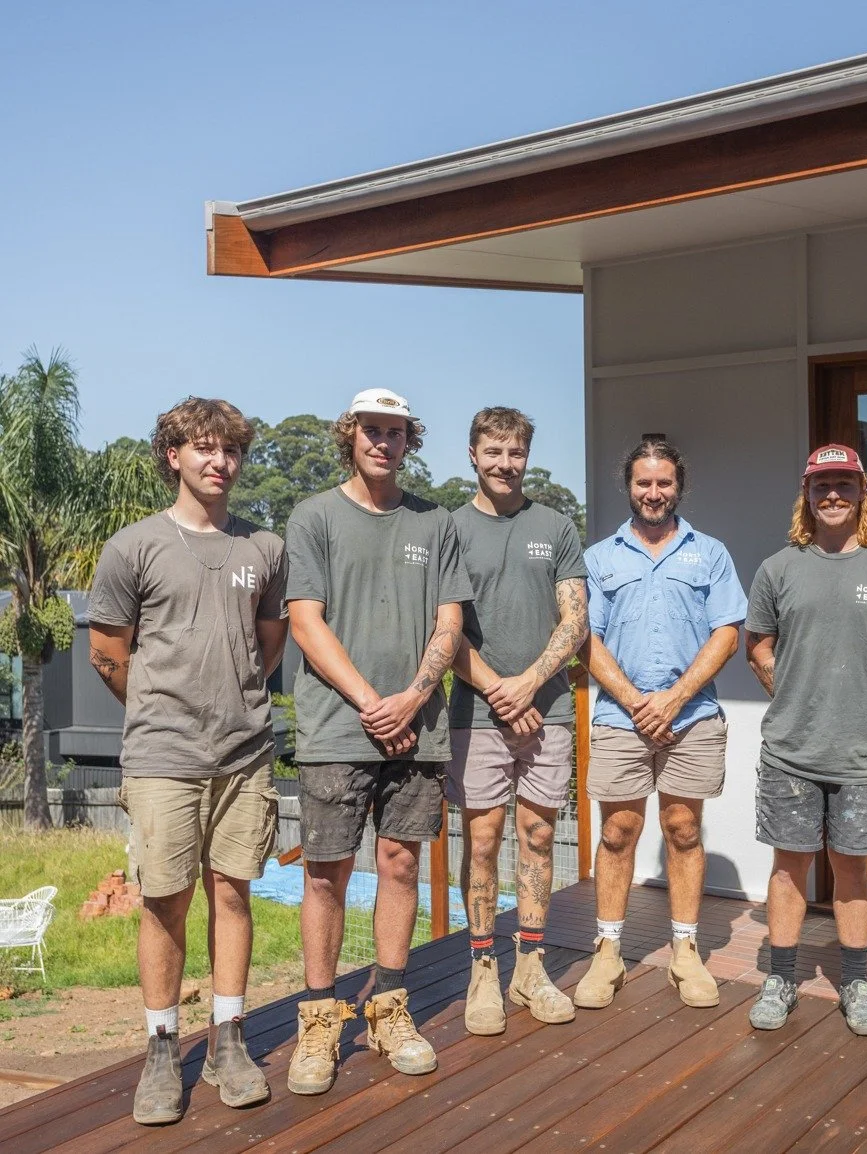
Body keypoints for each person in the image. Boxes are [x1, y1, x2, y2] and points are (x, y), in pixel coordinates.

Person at [88, 398, 287, 1125]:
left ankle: (229, 1041)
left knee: (233, 893)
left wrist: (231, 700)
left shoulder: (263, 546)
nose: (219, 463)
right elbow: (109, 654)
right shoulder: (133, 546)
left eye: (230, 451)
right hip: (163, 755)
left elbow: (270, 643)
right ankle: (162, 1051)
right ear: (173, 455)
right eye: (204, 449)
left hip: (244, 753)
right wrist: (164, 709)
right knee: (165, 901)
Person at [283, 388, 472, 1093]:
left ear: (409, 441)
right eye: (371, 430)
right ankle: (319, 1019)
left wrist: (415, 697)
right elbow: (306, 622)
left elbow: (449, 622)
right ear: (350, 435)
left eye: (396, 432)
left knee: (399, 864)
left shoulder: (436, 522)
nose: (383, 443)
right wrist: (369, 701)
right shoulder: (315, 518)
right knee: (325, 871)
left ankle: (389, 1007)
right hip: (337, 729)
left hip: (415, 730)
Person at [744, 444, 867, 1036]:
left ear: (861, 490)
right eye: (822, 484)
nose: (832, 495)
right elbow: (759, 648)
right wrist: (795, 694)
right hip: (790, 751)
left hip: (865, 753)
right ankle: (781, 976)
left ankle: (856, 980)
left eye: (843, 484)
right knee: (789, 867)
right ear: (806, 491)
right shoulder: (778, 568)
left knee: (853, 869)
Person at [574, 438, 747, 1010]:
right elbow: (586, 639)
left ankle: (685, 950)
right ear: (629, 486)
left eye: (664, 483)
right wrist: (635, 701)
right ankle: (607, 951)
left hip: (691, 715)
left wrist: (673, 698)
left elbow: (727, 632)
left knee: (682, 829)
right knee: (618, 832)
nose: (654, 493)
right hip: (620, 718)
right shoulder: (600, 558)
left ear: (680, 486)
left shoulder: (710, 554)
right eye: (644, 483)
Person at [447, 406, 589, 1035]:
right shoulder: (447, 529)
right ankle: (483, 969)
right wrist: (499, 690)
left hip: (549, 711)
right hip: (474, 715)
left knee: (536, 839)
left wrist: (530, 684)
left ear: (528, 456)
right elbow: (442, 631)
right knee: (481, 842)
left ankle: (530, 965)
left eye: (516, 452)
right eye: (493, 451)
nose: (505, 464)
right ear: (473, 454)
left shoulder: (556, 527)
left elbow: (575, 618)